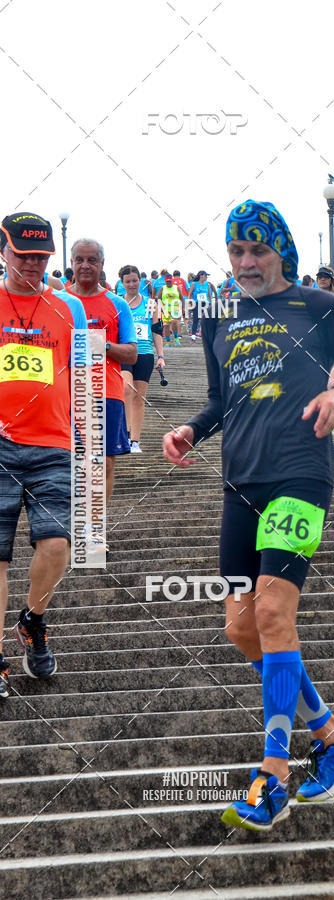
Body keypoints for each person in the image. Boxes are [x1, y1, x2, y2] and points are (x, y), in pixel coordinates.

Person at [163, 199, 334, 832]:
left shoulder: (319, 307)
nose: (247, 263)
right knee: (241, 628)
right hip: (240, 484)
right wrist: (190, 431)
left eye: (258, 250)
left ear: (280, 250)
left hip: (301, 477)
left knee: (274, 612)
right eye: (236, 252)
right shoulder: (217, 315)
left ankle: (274, 772)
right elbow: (218, 398)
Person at [0, 212, 88, 692]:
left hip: (53, 441)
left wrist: (85, 434)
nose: (32, 265)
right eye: (23, 256)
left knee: (57, 546)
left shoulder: (67, 308)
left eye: (41, 257)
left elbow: (81, 375)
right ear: (3, 252)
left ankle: (33, 619)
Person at [67, 239, 137, 512]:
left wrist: (102, 345)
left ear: (102, 265)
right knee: (69, 461)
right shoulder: (58, 301)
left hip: (104, 390)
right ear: (72, 263)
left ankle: (94, 528)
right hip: (66, 393)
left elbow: (132, 354)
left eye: (92, 260)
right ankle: (70, 524)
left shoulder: (117, 304)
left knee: (103, 462)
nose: (85, 265)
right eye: (79, 260)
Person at [120, 265, 165, 452]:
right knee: (126, 389)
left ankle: (134, 441)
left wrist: (161, 356)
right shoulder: (117, 303)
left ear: (141, 281)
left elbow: (157, 331)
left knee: (139, 397)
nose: (132, 284)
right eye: (128, 281)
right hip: (123, 352)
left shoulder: (151, 303)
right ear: (122, 283)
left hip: (145, 352)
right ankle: (125, 434)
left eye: (135, 280)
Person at [189, 270, 217, 340]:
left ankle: (207, 334)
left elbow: (209, 295)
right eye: (205, 276)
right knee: (196, 319)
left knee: (207, 319)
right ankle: (193, 334)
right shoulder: (194, 284)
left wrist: (211, 304)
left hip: (206, 303)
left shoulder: (208, 284)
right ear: (201, 276)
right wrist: (190, 303)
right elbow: (190, 294)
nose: (206, 277)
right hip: (197, 303)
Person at [159, 273, 185, 346]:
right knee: (166, 326)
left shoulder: (176, 288)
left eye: (170, 281)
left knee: (174, 322)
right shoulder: (162, 288)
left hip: (175, 308)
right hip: (165, 309)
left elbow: (182, 298)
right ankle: (168, 342)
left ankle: (176, 338)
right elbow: (159, 299)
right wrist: (160, 308)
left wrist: (183, 308)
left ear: (172, 280)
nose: (168, 283)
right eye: (167, 281)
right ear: (165, 281)